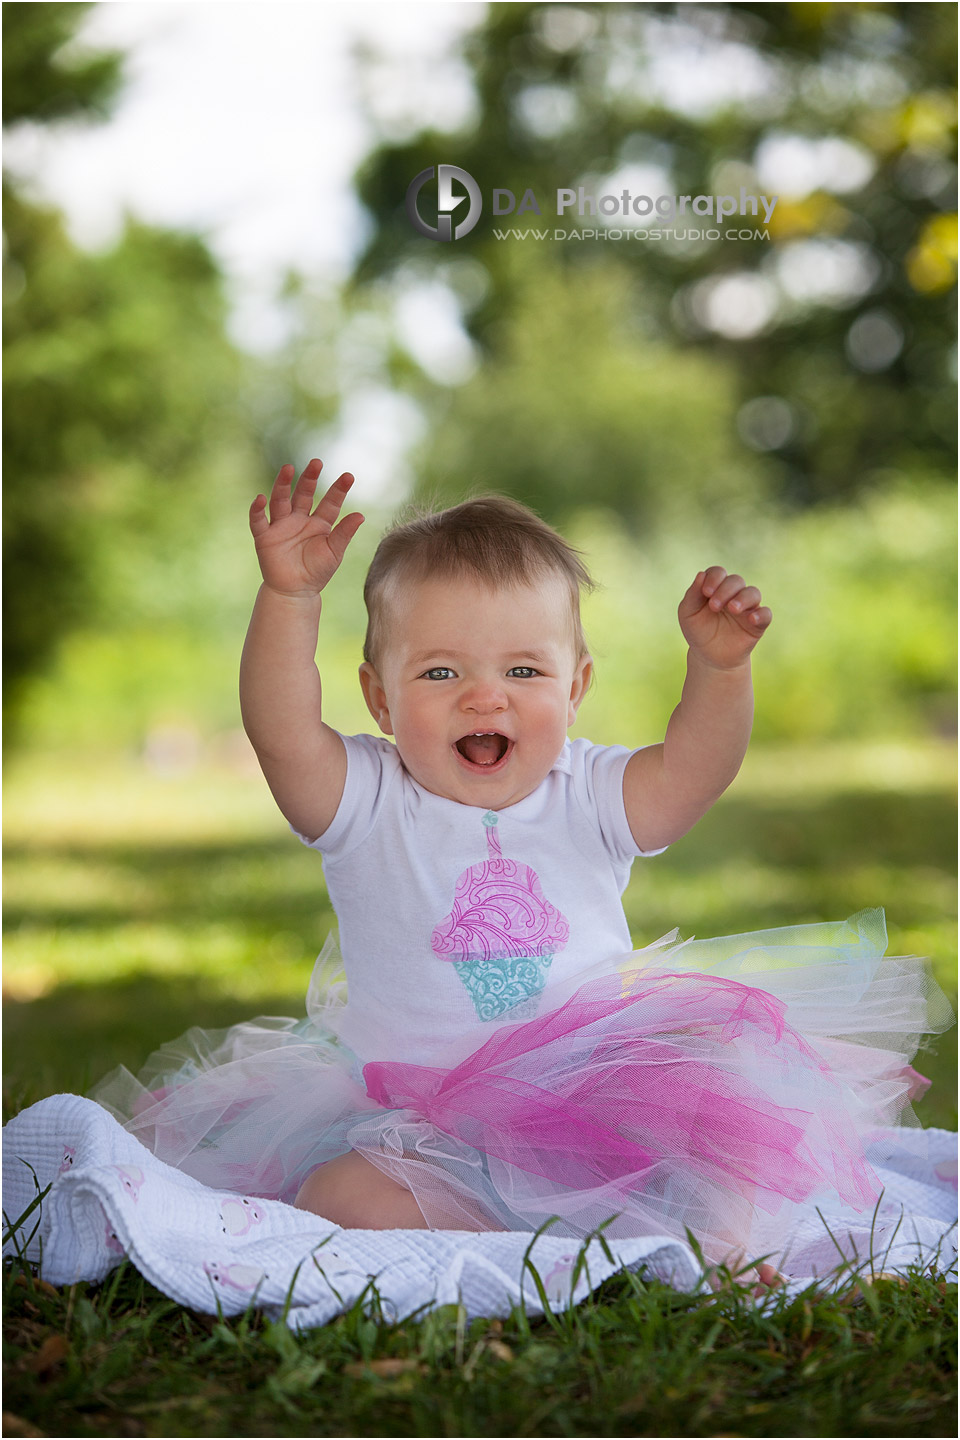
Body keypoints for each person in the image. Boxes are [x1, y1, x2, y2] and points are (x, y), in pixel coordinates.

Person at [93, 459, 952, 1283]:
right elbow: (280, 730)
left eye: (523, 671)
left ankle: (721, 1242)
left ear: (575, 688)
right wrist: (290, 597)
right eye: (440, 671)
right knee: (336, 1200)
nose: (485, 696)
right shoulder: (363, 797)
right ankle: (543, 1227)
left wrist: (718, 671)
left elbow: (695, 770)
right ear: (380, 696)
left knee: (711, 1073)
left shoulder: (590, 790)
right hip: (415, 1120)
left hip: (596, 1100)